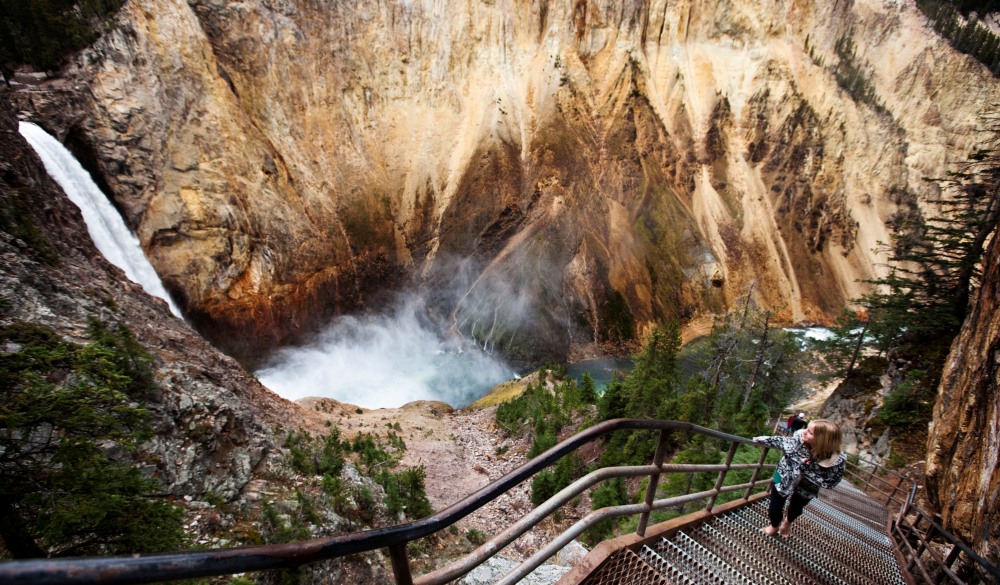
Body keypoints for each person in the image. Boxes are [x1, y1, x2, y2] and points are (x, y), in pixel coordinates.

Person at [754, 419, 846, 538]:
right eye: (807, 428)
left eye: (810, 432)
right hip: (784, 475)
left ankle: (787, 522)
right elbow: (783, 441)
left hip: (808, 487)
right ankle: (774, 525)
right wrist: (760, 439)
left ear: (822, 440)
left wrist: (805, 469)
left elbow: (831, 482)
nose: (804, 432)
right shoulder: (799, 438)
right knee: (774, 507)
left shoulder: (836, 460)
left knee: (795, 509)